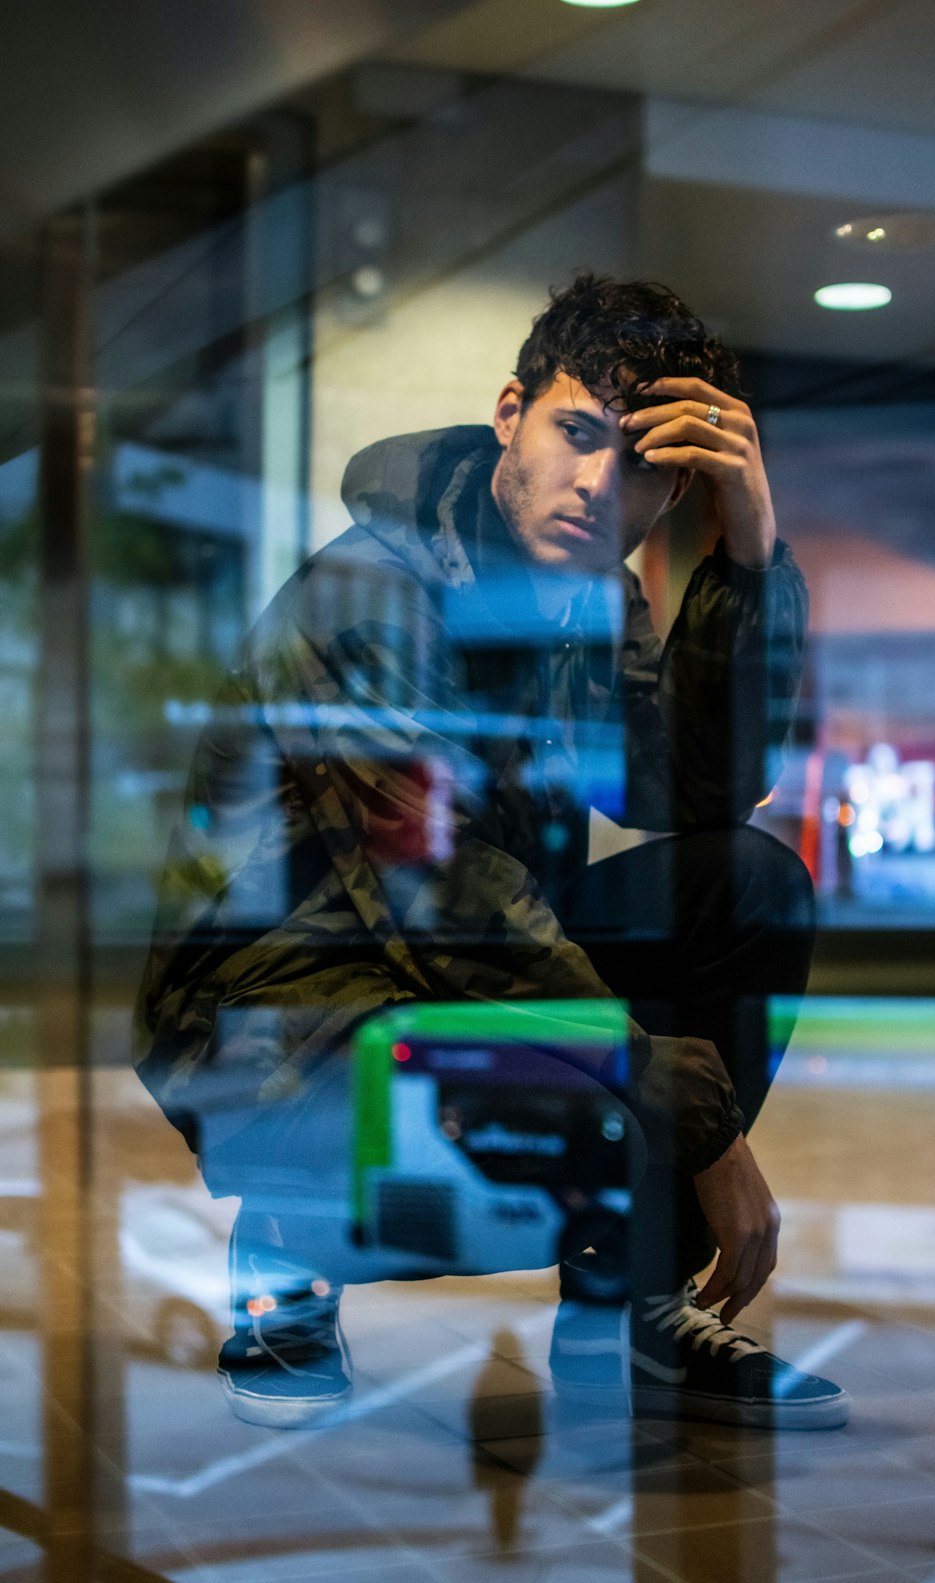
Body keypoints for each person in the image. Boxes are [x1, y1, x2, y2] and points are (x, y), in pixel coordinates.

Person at [134, 273, 847, 1432]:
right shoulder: (368, 595)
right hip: (286, 1030)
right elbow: (444, 895)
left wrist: (753, 551)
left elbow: (699, 787)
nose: (598, 487)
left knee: (748, 884)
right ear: (511, 410)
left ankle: (627, 1308)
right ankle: (290, 1245)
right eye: (578, 434)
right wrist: (689, 1111)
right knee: (584, 1121)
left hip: (458, 982)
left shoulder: (588, 600)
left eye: (647, 466)